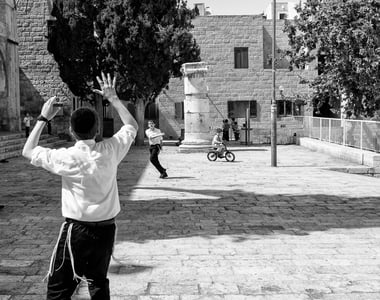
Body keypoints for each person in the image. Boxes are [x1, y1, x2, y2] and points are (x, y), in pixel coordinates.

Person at [22, 72, 138, 300]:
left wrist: (43, 118)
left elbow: (27, 150)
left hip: (77, 231)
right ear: (97, 130)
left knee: (59, 288)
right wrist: (113, 99)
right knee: (98, 283)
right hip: (106, 229)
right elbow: (131, 125)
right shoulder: (111, 151)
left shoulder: (67, 157)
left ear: (71, 131)